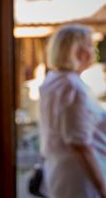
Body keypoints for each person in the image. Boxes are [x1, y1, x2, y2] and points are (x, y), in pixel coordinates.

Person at [39, 24, 106, 198]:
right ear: (77, 51)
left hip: (63, 172)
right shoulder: (71, 87)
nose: (94, 51)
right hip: (80, 179)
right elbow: (79, 145)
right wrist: (102, 187)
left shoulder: (56, 80)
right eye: (90, 45)